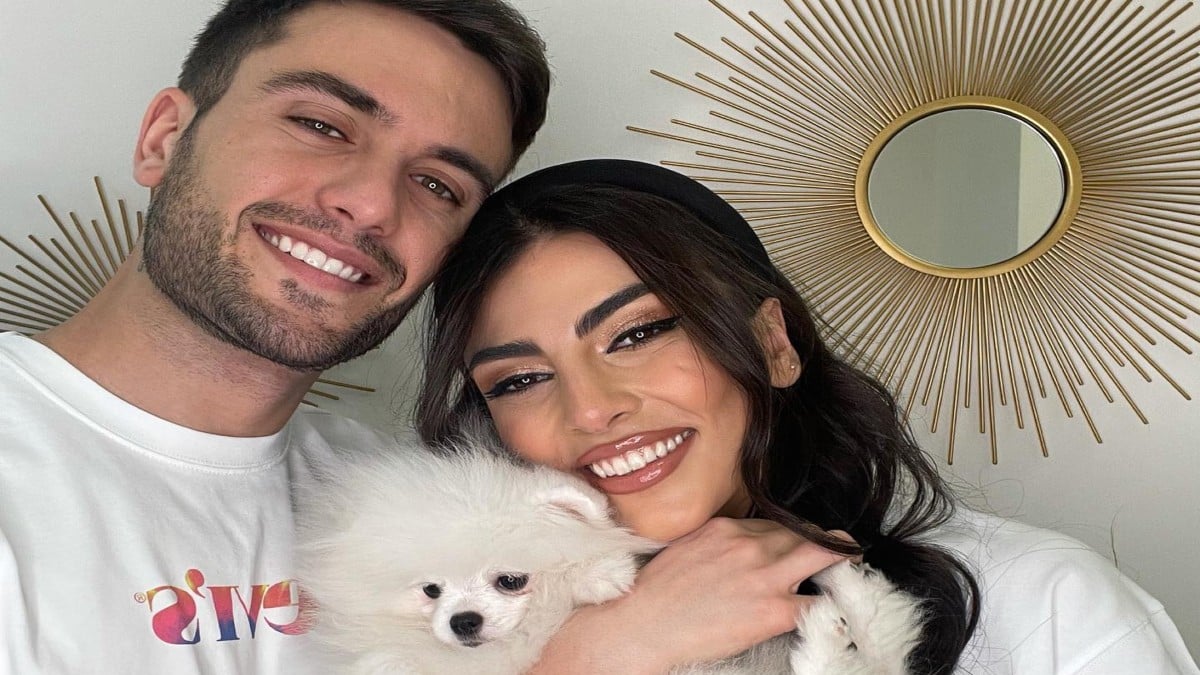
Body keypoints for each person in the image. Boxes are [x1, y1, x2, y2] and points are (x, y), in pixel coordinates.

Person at [417, 159, 1200, 674]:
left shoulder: (1040, 600)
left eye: (638, 334)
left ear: (773, 344)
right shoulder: (439, 634)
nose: (591, 407)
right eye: (520, 378)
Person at [0, 1, 549, 673]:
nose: (373, 205)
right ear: (164, 139)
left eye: (438, 184)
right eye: (321, 126)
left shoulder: (428, 496)